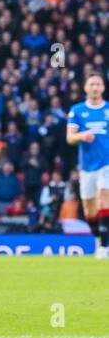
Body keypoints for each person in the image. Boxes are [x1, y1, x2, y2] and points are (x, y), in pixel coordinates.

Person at [66, 73, 109, 258]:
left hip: (106, 163)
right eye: (91, 84)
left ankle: (104, 247)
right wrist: (82, 136)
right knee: (90, 211)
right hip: (87, 167)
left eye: (98, 84)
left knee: (103, 200)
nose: (95, 87)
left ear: (103, 88)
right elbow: (70, 138)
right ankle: (98, 238)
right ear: (85, 88)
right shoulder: (77, 110)